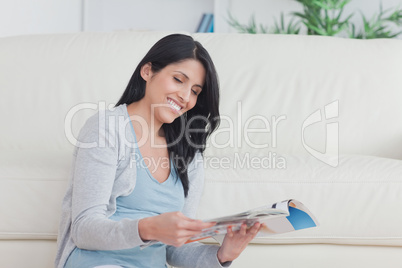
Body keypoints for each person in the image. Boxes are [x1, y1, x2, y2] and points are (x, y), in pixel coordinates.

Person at [55, 33, 262, 268]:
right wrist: (150, 228)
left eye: (195, 91)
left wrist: (223, 255)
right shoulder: (107, 128)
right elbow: (84, 229)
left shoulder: (188, 151)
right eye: (178, 79)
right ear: (147, 71)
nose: (185, 96)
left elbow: (176, 249)